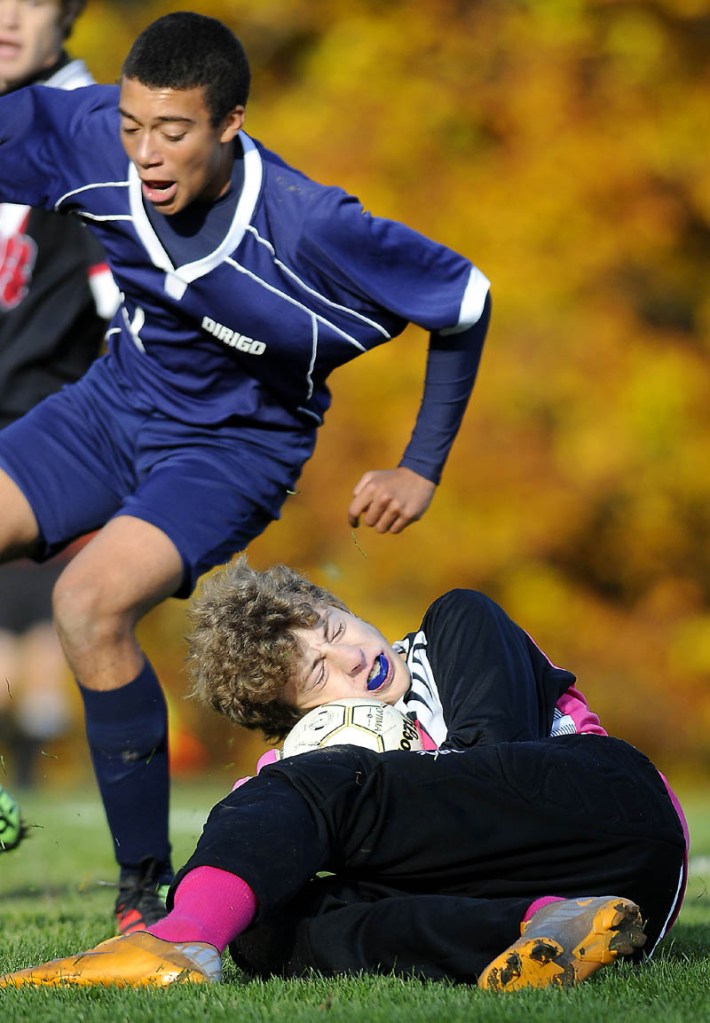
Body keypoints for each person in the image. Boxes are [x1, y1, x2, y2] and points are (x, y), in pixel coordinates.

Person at [0, 12, 491, 931]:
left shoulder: (309, 227)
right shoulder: (88, 135)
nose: (146, 154)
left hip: (233, 450)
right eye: (133, 127)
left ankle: (142, 887)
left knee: (87, 604)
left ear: (230, 124)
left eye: (174, 131)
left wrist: (421, 466)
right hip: (111, 404)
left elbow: (465, 299)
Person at [0, 559, 688, 991]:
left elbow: (495, 757)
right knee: (262, 926)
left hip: (608, 807)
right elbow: (267, 826)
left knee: (312, 799)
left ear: (348, 609)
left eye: (334, 630)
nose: (353, 659)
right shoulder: (299, 763)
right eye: (318, 674)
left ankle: (177, 939)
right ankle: (546, 929)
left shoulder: (452, 631)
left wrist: (349, 783)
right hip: (611, 906)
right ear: (294, 715)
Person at [0, 0, 117, 789]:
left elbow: (134, 312)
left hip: (50, 438)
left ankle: (140, 875)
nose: (7, 15)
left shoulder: (96, 136)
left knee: (49, 644)